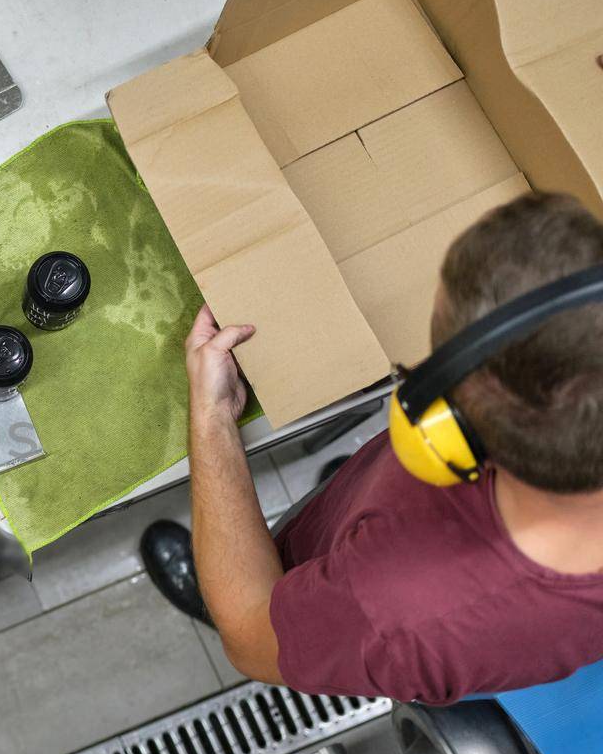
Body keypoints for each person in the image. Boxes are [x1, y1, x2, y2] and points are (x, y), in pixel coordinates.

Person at [141, 192, 603, 705]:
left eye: (426, 369)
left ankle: (216, 594)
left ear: (449, 430)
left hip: (303, 608)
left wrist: (213, 416)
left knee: (246, 595)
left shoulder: (400, 610)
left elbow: (251, 638)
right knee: (346, 506)